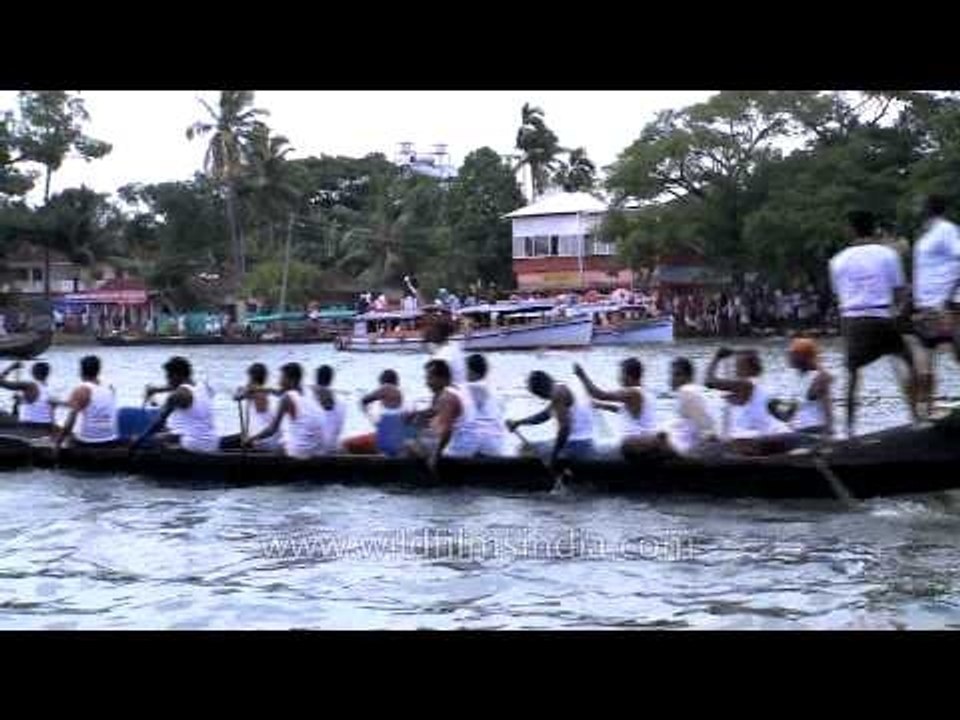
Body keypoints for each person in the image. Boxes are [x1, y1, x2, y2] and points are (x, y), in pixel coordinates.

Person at [829, 210, 918, 435]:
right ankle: (917, 417)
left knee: (852, 374)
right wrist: (897, 314)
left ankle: (849, 431)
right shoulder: (888, 255)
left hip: (853, 320)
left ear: (851, 230)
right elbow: (900, 292)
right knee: (910, 362)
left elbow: (839, 296)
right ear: (873, 229)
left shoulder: (837, 261)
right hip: (883, 316)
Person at [910, 194, 960, 418]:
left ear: (929, 208)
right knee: (925, 363)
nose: (918, 209)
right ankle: (927, 413)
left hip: (946, 305)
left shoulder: (946, 230)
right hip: (926, 306)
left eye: (921, 205)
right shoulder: (926, 235)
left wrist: (949, 297)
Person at [705, 347, 791, 447]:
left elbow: (709, 382)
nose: (735, 368)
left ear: (750, 368)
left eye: (739, 365)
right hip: (758, 436)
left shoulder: (747, 384)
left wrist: (717, 358)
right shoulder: (748, 386)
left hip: (768, 439)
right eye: (736, 364)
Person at [132, 357, 219, 453]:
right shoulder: (204, 387)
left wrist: (139, 440)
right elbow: (182, 388)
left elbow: (158, 424)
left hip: (193, 445)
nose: (167, 380)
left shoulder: (176, 395)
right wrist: (156, 390)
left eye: (168, 377)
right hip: (213, 443)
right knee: (170, 432)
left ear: (176, 376)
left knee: (146, 438)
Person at [573, 358, 660, 454]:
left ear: (628, 377)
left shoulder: (632, 392)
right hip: (643, 440)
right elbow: (623, 411)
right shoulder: (645, 392)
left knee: (590, 448)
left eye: (621, 374)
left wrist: (581, 375)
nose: (618, 378)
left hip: (635, 445)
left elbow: (599, 394)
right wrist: (600, 405)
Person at [506, 370, 595, 464]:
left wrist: (554, 455)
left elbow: (565, 428)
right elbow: (544, 415)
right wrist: (519, 422)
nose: (541, 398)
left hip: (575, 445)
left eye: (537, 395)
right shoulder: (563, 388)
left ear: (540, 391)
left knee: (524, 449)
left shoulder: (558, 394)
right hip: (584, 441)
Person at [243, 362, 325, 459]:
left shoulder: (286, 398)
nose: (279, 382)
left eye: (282, 378)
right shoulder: (308, 391)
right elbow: (277, 392)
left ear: (291, 380)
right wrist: (264, 389)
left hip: (297, 453)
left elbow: (272, 430)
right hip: (316, 449)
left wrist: (250, 439)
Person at [415, 359, 476, 468]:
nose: (427, 383)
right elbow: (433, 412)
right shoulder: (450, 391)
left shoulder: (447, 398)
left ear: (442, 379)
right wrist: (416, 415)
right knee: (417, 428)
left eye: (430, 378)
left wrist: (433, 457)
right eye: (426, 378)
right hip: (465, 445)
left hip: (457, 451)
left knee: (407, 443)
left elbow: (445, 431)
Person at [769, 338, 834, 437]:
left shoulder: (818, 378)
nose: (789, 356)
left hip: (813, 429)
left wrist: (828, 434)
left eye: (793, 354)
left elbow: (828, 409)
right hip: (796, 430)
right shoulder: (795, 377)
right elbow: (792, 409)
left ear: (803, 357)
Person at [55, 355, 120, 449]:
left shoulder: (81, 389)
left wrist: (58, 443)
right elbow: (92, 403)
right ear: (98, 371)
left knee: (65, 432)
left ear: (81, 371)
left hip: (88, 441)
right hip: (111, 439)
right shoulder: (110, 389)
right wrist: (59, 403)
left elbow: (70, 422)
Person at [343, 369, 409, 457]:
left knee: (346, 444)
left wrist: (367, 413)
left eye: (380, 383)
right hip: (396, 438)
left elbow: (364, 400)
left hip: (385, 439)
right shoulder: (399, 394)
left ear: (383, 381)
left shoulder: (386, 388)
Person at [663, 357, 718, 456]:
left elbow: (708, 429)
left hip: (683, 453)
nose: (672, 379)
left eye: (677, 375)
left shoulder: (687, 392)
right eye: (671, 374)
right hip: (680, 449)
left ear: (689, 377)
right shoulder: (693, 392)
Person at [221, 363, 281, 451]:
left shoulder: (256, 392)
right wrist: (243, 389)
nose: (247, 381)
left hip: (259, 440)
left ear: (252, 377)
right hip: (258, 436)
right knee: (223, 441)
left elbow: (236, 397)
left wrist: (242, 391)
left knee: (221, 444)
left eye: (248, 377)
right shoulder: (262, 390)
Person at [463, 353, 508, 457]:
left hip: (479, 449)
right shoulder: (495, 391)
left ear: (472, 372)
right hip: (497, 447)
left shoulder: (471, 388)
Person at [0, 361, 60, 427]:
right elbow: (40, 404)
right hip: (46, 424)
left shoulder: (29, 385)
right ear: (47, 374)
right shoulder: (51, 389)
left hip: (29, 426)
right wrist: (21, 400)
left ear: (33, 373)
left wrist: (11, 367)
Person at [313, 365, 346, 454]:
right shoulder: (341, 402)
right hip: (333, 446)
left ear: (316, 378)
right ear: (331, 379)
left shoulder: (312, 397)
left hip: (319, 449)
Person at [425, 315, 466, 386]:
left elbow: (438, 384)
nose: (430, 332)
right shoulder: (455, 347)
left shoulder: (440, 356)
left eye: (433, 330)